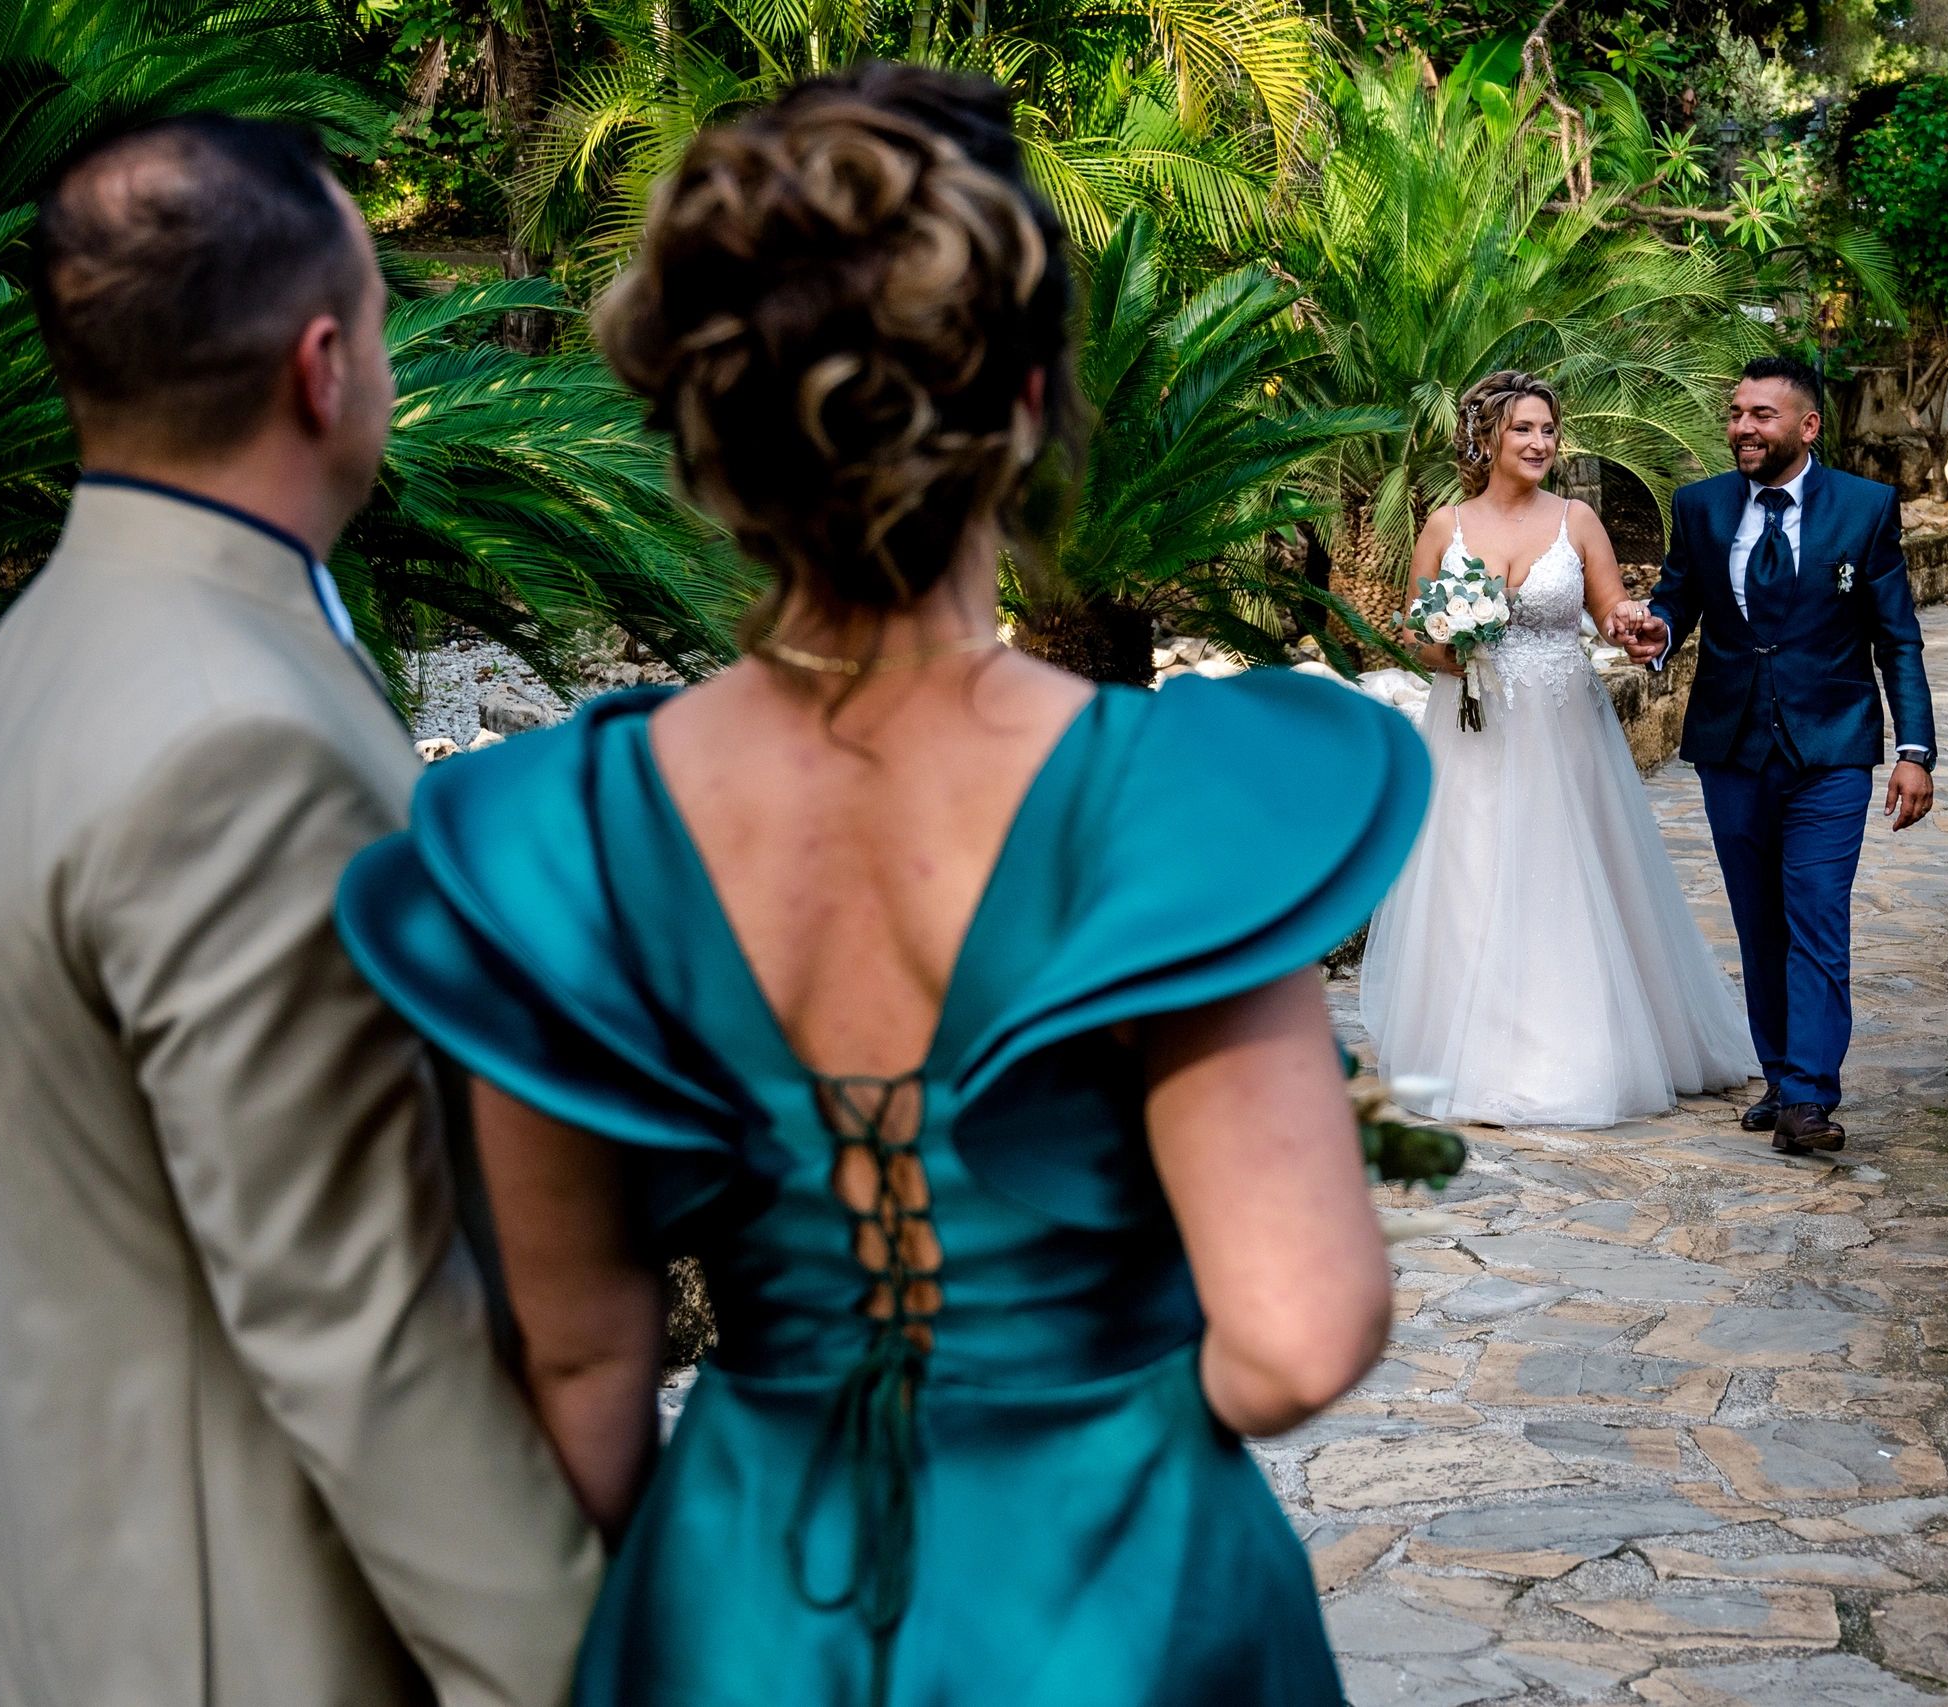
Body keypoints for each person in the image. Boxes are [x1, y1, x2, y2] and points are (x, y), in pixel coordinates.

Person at [333, 65, 1425, 1707]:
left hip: (746, 1605)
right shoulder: (1155, 805)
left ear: (706, 431)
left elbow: (580, 1355)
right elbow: (1297, 1331)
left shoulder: (575, 830)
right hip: (1114, 1608)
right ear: (1033, 402)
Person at [0, 116, 600, 1706]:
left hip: (107, 1617)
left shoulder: (35, 662)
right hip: (263, 1635)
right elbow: (354, 1318)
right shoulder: (238, 736)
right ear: (323, 366)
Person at [1359, 372, 1758, 1128]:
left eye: (1548, 429)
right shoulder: (1444, 526)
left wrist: (1633, 625)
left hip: (1563, 728)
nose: (1541, 442)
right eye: (1523, 429)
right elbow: (1415, 633)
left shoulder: (1578, 520)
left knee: (1563, 873)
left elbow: (1610, 612)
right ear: (1486, 440)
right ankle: (1473, 1048)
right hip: (1470, 733)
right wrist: (1455, 649)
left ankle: (1572, 1051)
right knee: (1469, 873)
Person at [1611, 353, 1939, 1154]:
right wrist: (1655, 634)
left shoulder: (1864, 508)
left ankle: (1809, 1097)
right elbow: (1678, 602)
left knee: (1817, 916)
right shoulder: (1699, 506)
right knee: (1758, 923)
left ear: (1807, 425)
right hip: (1732, 747)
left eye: (1761, 414)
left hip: (1831, 747)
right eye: (1736, 413)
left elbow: (1897, 637)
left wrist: (1915, 748)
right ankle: (1782, 1076)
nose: (1743, 427)